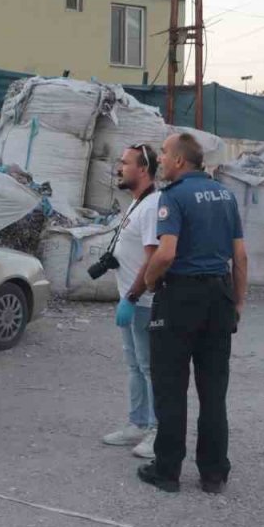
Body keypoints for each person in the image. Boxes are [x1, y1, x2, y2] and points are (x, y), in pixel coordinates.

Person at [139, 132, 249, 494]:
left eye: (165, 154)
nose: (161, 160)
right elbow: (241, 256)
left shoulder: (173, 197)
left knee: (171, 387)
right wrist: (237, 302)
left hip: (181, 297)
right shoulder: (226, 196)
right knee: (213, 390)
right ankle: (213, 473)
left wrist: (152, 281)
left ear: (180, 161)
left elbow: (166, 252)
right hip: (218, 296)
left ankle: (167, 471)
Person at [102, 144, 162, 460]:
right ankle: (137, 423)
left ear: (143, 169)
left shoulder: (153, 205)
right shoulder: (137, 203)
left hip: (143, 302)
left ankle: (156, 430)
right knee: (135, 365)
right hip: (130, 299)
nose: (119, 167)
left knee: (150, 367)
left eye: (124, 163)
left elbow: (154, 259)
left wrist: (134, 296)